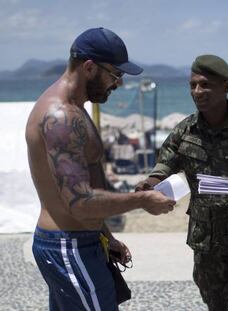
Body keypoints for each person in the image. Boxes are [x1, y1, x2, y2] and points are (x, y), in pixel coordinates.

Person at [26, 27, 176, 310]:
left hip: (77, 241)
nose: (118, 83)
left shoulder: (73, 108)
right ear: (90, 67)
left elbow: (82, 188)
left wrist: (105, 235)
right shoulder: (61, 117)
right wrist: (143, 200)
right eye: (115, 74)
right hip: (69, 246)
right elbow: (80, 203)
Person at [136, 55, 228, 310]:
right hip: (206, 242)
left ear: (225, 86)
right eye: (193, 85)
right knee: (216, 306)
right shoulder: (184, 130)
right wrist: (150, 184)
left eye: (205, 85)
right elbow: (164, 165)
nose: (197, 91)